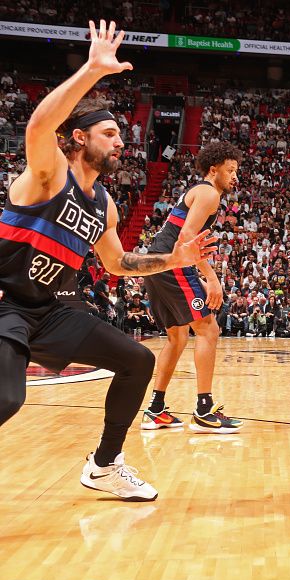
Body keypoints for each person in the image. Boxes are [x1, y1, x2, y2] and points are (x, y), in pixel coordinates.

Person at [0, 20, 216, 502]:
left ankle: (104, 464)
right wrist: (93, 72)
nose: (122, 141)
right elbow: (39, 125)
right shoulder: (49, 173)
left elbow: (118, 264)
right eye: (110, 133)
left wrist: (172, 258)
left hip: (50, 311)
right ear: (78, 137)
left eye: (120, 134)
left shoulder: (106, 205)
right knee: (8, 399)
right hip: (6, 304)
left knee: (136, 360)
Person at [141, 141, 244, 434]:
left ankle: (155, 409)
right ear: (214, 170)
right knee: (208, 328)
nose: (235, 176)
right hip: (172, 261)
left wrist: (197, 273)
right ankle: (203, 411)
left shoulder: (198, 191)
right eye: (230, 170)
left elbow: (182, 238)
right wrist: (211, 277)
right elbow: (186, 237)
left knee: (176, 337)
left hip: (156, 261)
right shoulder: (209, 193)